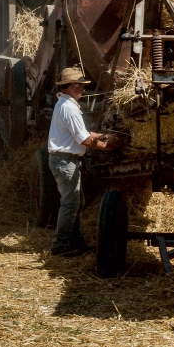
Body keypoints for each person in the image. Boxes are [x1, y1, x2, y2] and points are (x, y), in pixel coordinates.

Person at [48, 67, 121, 256]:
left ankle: (75, 242)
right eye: (81, 86)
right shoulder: (69, 108)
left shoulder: (64, 104)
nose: (84, 90)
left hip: (64, 160)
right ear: (73, 86)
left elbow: (85, 133)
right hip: (65, 161)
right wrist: (108, 146)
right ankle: (61, 244)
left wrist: (105, 135)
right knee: (70, 202)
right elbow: (85, 141)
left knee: (76, 201)